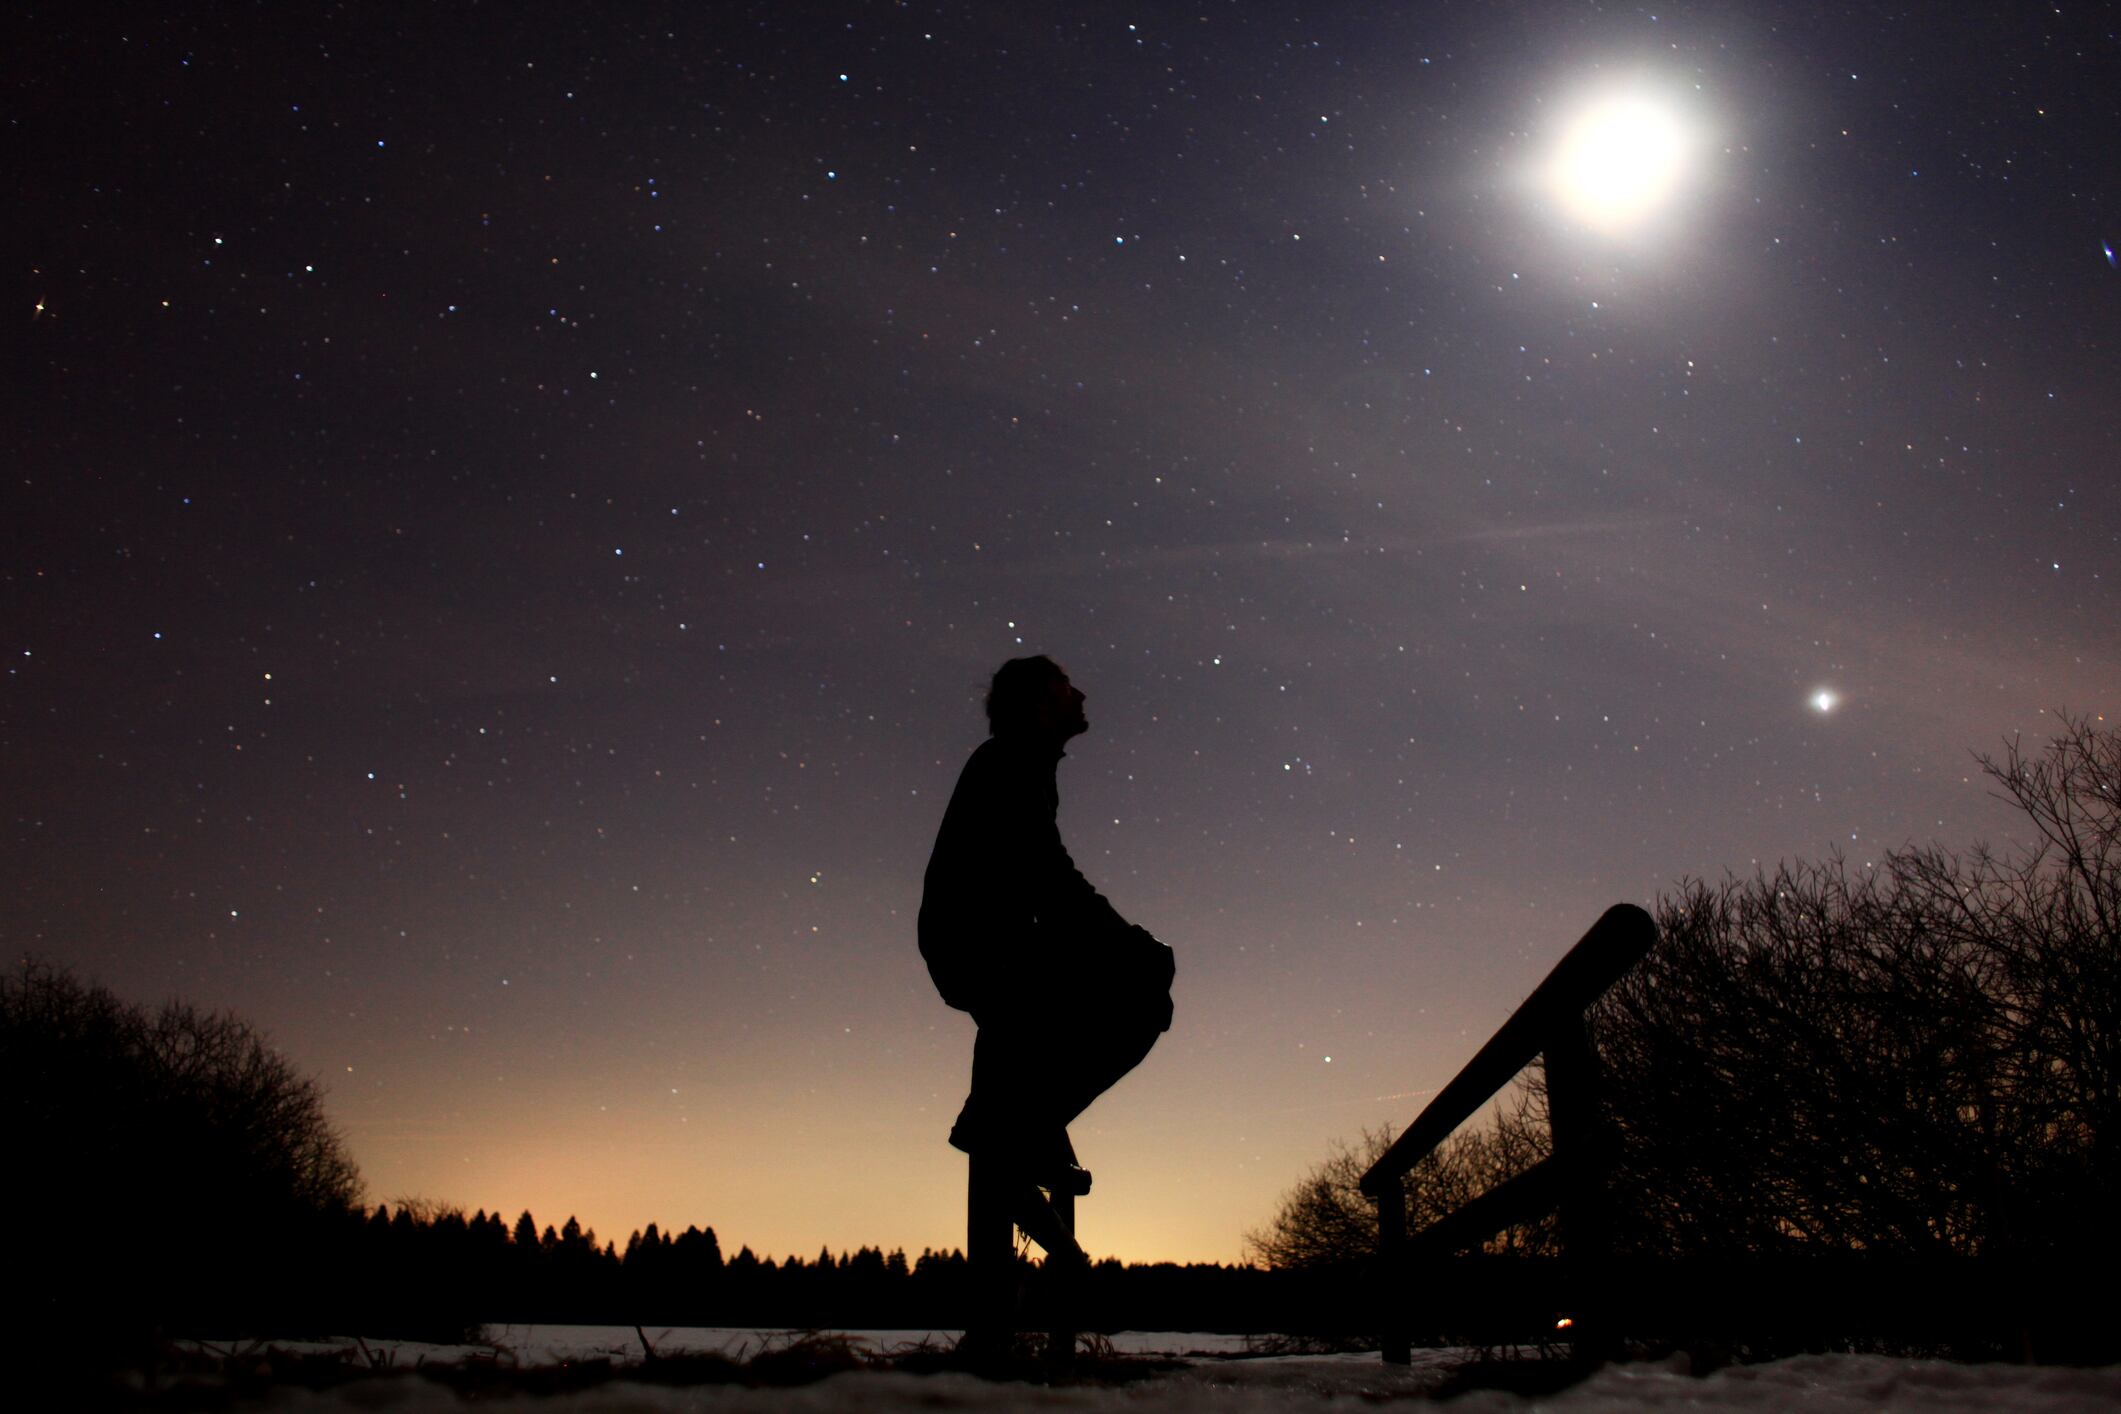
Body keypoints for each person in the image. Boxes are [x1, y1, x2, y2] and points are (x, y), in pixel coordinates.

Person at [919, 656, 1175, 1263]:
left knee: (1034, 1043)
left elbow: (1041, 874)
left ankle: (1014, 1145)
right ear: (1038, 701)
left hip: (991, 942)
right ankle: (1017, 1141)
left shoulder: (1022, 764)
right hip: (982, 944)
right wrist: (1127, 941)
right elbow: (1046, 874)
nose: (1081, 692)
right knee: (1143, 991)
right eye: (1066, 685)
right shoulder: (1010, 760)